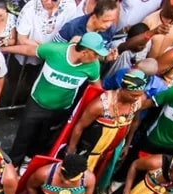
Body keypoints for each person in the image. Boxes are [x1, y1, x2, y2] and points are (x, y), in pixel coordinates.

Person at [6, 33, 104, 165]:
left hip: (61, 109)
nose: (97, 58)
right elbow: (29, 50)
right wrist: (2, 49)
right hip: (37, 103)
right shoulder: (55, 50)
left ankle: (29, 160)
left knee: (43, 139)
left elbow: (97, 88)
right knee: (24, 135)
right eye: (96, 54)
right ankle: (13, 164)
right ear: (84, 52)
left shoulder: (93, 65)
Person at [66, 69, 147, 189]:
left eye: (139, 94)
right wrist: (71, 149)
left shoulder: (139, 100)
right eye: (133, 95)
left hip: (111, 152)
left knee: (100, 178)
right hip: (90, 152)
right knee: (79, 182)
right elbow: (80, 126)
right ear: (123, 89)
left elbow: (135, 122)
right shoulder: (100, 105)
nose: (136, 98)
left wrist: (126, 144)